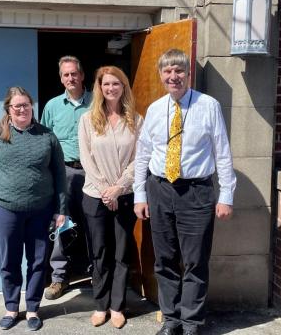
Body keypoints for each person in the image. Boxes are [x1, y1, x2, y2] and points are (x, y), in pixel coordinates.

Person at [133, 49, 236, 335]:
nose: (173, 76)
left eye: (179, 71)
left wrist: (226, 195)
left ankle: (191, 322)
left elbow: (222, 153)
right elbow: (143, 155)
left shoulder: (209, 106)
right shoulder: (154, 109)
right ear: (161, 75)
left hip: (196, 192)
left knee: (194, 260)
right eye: (167, 71)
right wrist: (140, 195)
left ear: (188, 74)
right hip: (160, 189)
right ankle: (171, 319)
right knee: (164, 259)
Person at [0, 86, 66, 331]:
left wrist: (60, 209)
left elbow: (59, 174)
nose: (23, 109)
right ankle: (11, 307)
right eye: (17, 106)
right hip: (4, 209)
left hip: (41, 209)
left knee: (37, 261)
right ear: (8, 109)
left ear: (32, 106)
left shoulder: (47, 136)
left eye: (26, 104)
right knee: (10, 260)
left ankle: (33, 308)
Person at [78, 66, 143, 329]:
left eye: (116, 84)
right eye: (106, 84)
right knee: (100, 252)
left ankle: (118, 306)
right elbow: (86, 158)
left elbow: (140, 159)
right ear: (99, 88)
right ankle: (100, 305)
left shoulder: (136, 120)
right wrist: (106, 190)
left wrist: (119, 188)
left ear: (123, 87)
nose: (111, 88)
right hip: (95, 196)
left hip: (124, 196)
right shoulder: (87, 119)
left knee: (122, 252)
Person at [40, 55, 93, 300]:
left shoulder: (97, 101)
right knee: (63, 223)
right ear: (61, 78)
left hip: (95, 172)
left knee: (96, 223)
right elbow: (44, 142)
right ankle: (59, 278)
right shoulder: (52, 106)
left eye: (74, 73)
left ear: (82, 75)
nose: (70, 78)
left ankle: (99, 273)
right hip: (64, 173)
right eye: (65, 75)